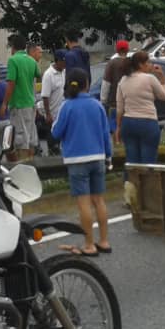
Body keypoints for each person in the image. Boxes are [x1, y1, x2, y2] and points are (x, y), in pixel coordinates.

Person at [51, 68, 112, 257]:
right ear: (86, 84)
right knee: (99, 200)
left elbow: (55, 133)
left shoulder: (67, 106)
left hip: (77, 159)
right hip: (99, 157)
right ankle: (104, 240)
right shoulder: (97, 105)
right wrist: (108, 157)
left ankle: (89, 244)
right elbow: (105, 134)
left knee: (84, 203)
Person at [116, 50, 165, 206]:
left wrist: (118, 128)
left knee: (131, 162)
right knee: (148, 162)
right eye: (148, 63)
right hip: (147, 123)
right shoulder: (150, 79)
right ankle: (148, 197)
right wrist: (163, 78)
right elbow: (164, 96)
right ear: (140, 64)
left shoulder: (123, 81)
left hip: (128, 123)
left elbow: (120, 108)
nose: (151, 65)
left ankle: (130, 197)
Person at [3, 34, 40, 161]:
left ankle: (23, 166)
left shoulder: (13, 60)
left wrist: (4, 103)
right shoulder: (32, 60)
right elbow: (37, 74)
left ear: (13, 47)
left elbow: (11, 83)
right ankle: (31, 164)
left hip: (18, 104)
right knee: (30, 137)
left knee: (20, 139)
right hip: (31, 103)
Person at [99, 40, 129, 122]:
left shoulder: (112, 63)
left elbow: (106, 83)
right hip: (129, 105)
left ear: (117, 50)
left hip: (114, 103)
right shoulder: (131, 63)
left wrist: (103, 100)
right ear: (127, 50)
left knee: (114, 129)